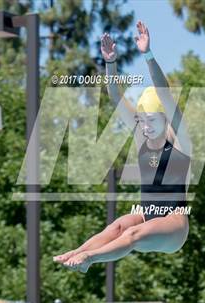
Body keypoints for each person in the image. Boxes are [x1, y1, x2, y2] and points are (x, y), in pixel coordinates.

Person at [53, 21, 192, 273]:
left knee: (133, 233)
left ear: (164, 118)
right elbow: (116, 96)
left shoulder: (181, 140)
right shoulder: (142, 137)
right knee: (117, 227)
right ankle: (77, 253)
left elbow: (165, 94)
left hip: (174, 225)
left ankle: (90, 259)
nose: (145, 126)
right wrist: (110, 62)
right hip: (147, 215)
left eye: (151, 120)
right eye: (141, 119)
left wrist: (148, 54)